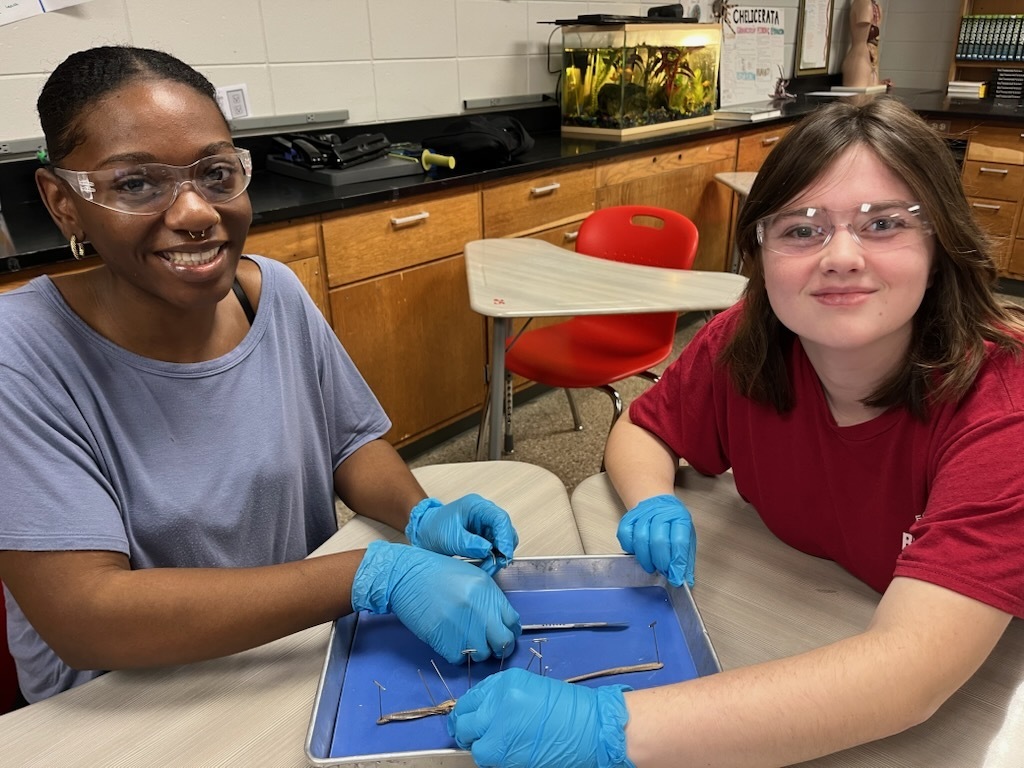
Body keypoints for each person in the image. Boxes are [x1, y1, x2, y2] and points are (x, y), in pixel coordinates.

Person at [447, 97, 1024, 766]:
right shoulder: (746, 344)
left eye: (884, 224)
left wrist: (607, 727)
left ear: (941, 242)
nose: (840, 256)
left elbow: (908, 676)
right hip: (805, 615)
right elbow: (641, 426)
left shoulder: (1001, 403)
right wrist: (652, 498)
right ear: (759, 251)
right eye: (801, 230)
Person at [0, 46, 522, 705]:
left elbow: (350, 445)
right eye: (135, 183)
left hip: (286, 654)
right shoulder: (18, 352)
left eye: (216, 173)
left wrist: (420, 516)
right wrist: (371, 574)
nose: (196, 211)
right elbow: (86, 615)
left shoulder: (268, 291)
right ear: (63, 203)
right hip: (128, 705)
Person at [842, 0, 883, 88]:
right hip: (860, 60)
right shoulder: (864, 4)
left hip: (871, 60)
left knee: (870, 99)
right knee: (859, 100)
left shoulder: (875, 7)